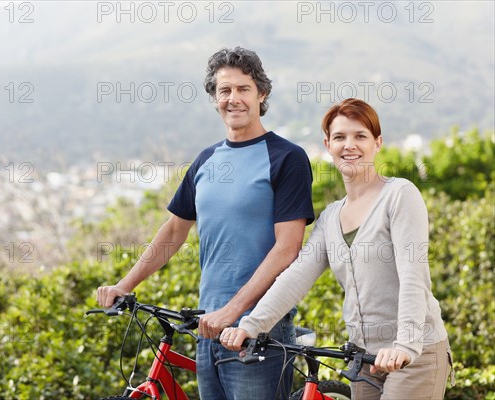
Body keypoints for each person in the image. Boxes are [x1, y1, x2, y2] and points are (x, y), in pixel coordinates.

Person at [96, 46, 315, 399]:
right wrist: (125, 284)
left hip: (259, 330)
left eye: (243, 89)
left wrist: (233, 311)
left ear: (262, 93)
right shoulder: (206, 160)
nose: (234, 98)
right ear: (214, 98)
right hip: (207, 327)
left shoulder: (286, 158)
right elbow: (173, 230)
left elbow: (288, 248)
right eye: (224, 90)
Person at [221, 98, 453, 400]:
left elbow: (413, 277)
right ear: (328, 144)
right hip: (364, 360)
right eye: (340, 137)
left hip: (415, 354)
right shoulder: (331, 216)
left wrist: (405, 346)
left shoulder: (400, 196)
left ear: (377, 142)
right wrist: (251, 326)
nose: (350, 145)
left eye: (360, 136)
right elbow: (296, 277)